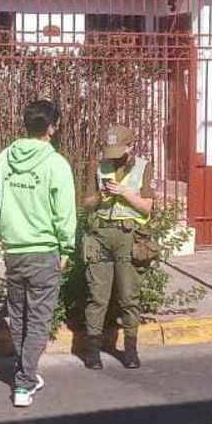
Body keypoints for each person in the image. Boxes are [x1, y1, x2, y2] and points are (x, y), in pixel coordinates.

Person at [0, 100, 76, 407]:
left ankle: (24, 371)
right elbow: (64, 212)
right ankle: (24, 382)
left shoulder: (4, 159)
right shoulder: (56, 164)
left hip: (14, 248)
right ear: (52, 128)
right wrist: (67, 247)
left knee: (18, 315)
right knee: (39, 318)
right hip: (44, 248)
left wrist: (7, 236)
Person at [81, 126, 155, 370]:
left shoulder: (144, 167)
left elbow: (147, 207)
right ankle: (93, 351)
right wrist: (100, 197)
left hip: (128, 237)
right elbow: (87, 204)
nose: (113, 157)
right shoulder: (99, 166)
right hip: (100, 235)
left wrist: (124, 192)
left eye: (118, 151)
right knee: (97, 295)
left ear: (130, 147)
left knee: (128, 295)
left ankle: (130, 350)